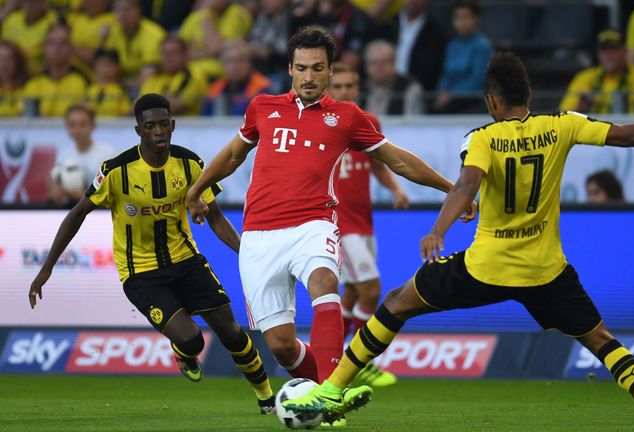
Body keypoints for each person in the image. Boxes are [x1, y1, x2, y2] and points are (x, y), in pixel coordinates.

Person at [283, 51, 634, 432]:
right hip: (545, 271)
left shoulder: (483, 138)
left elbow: (467, 185)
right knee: (603, 341)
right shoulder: (562, 126)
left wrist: (438, 229)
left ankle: (331, 388)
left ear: (491, 100)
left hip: (483, 267)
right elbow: (631, 135)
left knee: (397, 303)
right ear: (528, 93)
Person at [185, 27, 472, 426]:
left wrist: (452, 189)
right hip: (259, 235)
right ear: (289, 69)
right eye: (301, 68)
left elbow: (399, 160)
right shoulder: (262, 108)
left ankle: (331, 393)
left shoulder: (348, 117)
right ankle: (323, 393)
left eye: (317, 68)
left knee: (324, 283)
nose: (308, 76)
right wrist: (196, 189)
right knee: (282, 347)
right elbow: (233, 154)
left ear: (329, 70)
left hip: (313, 223)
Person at [29, 93, 277, 415]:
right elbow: (77, 213)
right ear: (139, 131)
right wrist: (48, 267)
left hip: (186, 261)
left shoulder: (190, 164)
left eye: (163, 124)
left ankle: (267, 398)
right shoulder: (116, 171)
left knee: (231, 331)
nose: (158, 131)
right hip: (141, 273)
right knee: (193, 341)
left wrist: (247, 253)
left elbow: (214, 216)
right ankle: (183, 350)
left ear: (172, 126)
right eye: (150, 126)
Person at [327, 62, 408, 388]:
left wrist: (396, 188)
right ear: (329, 89)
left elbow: (376, 162)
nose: (345, 91)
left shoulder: (367, 121)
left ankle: (334, 359)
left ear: (357, 88)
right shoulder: (323, 122)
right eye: (339, 86)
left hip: (364, 220)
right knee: (372, 289)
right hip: (339, 221)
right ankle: (357, 361)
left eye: (350, 86)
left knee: (351, 295)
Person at [432, 0, 493, 114]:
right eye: (457, 18)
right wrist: (441, 91)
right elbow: (446, 75)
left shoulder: (482, 46)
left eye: (466, 17)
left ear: (477, 19)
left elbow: (477, 80)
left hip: (473, 101)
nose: (461, 22)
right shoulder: (452, 45)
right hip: (449, 100)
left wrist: (451, 95)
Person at [560, 30, 634, 114]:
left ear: (625, 51)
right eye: (604, 49)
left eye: (614, 49)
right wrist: (581, 106)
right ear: (598, 53)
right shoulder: (585, 77)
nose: (609, 55)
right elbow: (563, 116)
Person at [47, 105, 115, 206]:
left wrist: (70, 193)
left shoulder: (107, 154)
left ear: (93, 126)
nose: (77, 130)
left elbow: (107, 193)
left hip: (98, 213)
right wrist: (54, 190)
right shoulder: (64, 154)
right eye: (72, 125)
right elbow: (53, 180)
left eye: (83, 124)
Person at [21, 24, 88, 117]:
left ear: (71, 48)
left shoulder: (83, 81)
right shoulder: (33, 83)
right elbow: (26, 119)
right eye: (51, 43)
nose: (57, 48)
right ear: (44, 48)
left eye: (63, 43)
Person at [178, 0, 253, 80]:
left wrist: (207, 20)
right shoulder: (196, 16)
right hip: (188, 74)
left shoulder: (238, 14)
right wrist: (209, 51)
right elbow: (179, 52)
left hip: (216, 75)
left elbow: (219, 48)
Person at [103, 0, 166, 91]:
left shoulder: (153, 34)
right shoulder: (112, 31)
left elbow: (148, 76)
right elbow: (105, 66)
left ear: (138, 11)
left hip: (147, 86)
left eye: (127, 9)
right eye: (117, 10)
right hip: (121, 82)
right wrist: (103, 41)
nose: (122, 14)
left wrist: (120, 82)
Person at [139, 36, 209, 116]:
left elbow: (172, 108)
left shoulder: (194, 76)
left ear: (185, 55)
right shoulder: (153, 77)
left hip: (185, 126)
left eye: (173, 53)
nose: (167, 57)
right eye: (164, 53)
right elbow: (137, 106)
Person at [203, 39, 271, 116]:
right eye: (229, 61)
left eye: (240, 60)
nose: (234, 66)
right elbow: (205, 120)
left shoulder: (263, 87)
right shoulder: (214, 89)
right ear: (222, 64)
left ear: (249, 63)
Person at [360, 39, 424, 115]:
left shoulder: (410, 88)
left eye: (384, 62)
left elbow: (415, 124)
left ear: (394, 63)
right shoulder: (359, 90)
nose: (378, 68)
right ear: (366, 66)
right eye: (373, 63)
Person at [0, 0, 57, 73]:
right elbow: (5, 46)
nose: (30, 5)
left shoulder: (53, 21)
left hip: (37, 71)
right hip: (11, 69)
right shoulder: (12, 19)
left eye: (34, 1)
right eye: (26, 1)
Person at [86, 49, 132, 117]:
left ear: (117, 67)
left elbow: (126, 112)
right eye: (101, 64)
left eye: (109, 65)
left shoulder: (121, 90)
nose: (105, 69)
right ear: (94, 66)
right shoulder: (89, 88)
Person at [0, 40, 31, 117]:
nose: (4, 62)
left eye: (9, 58)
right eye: (0, 58)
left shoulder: (29, 88)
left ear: (18, 62)